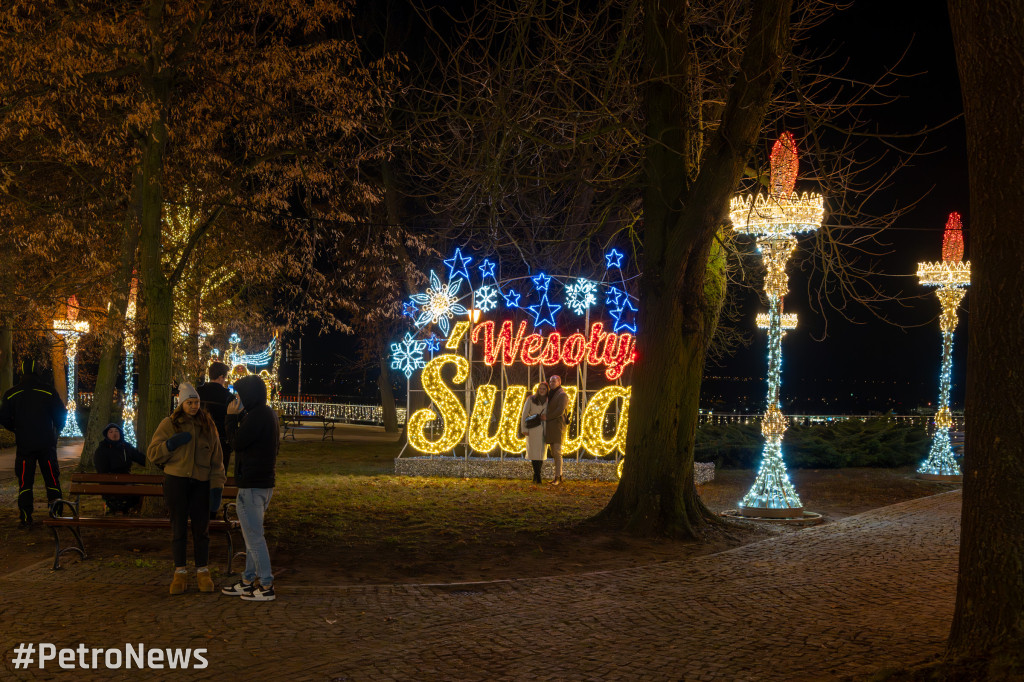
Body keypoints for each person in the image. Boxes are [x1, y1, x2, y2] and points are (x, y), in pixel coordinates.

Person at [147, 382, 226, 595]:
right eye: (189, 402)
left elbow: (217, 460)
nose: (193, 406)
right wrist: (170, 445)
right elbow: (153, 453)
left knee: (202, 529)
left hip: (200, 483)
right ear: (181, 404)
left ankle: (203, 571)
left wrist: (216, 487)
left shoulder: (208, 426)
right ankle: (180, 572)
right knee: (178, 528)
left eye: (196, 402)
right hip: (176, 481)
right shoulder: (169, 424)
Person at [221, 374, 279, 602]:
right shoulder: (267, 414)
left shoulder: (256, 416)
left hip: (252, 485)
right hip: (262, 483)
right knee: (251, 536)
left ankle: (266, 584)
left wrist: (230, 418)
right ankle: (248, 580)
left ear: (249, 395)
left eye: (239, 395)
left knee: (254, 538)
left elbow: (235, 442)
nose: (237, 399)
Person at [0, 359, 67, 527]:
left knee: (25, 482)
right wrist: (56, 430)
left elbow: (4, 418)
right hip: (46, 444)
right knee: (52, 479)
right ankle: (56, 513)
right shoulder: (48, 391)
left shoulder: (12, 393)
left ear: (22, 372)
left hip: (25, 445)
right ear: (37, 372)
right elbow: (61, 415)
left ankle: (25, 516)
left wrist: (17, 428)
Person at [93, 423, 146, 514]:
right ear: (107, 434)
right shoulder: (102, 449)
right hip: (109, 482)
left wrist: (150, 462)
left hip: (126, 479)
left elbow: (139, 457)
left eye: (117, 431)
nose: (114, 434)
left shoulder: (126, 447)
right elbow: (102, 470)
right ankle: (115, 508)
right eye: (111, 432)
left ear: (120, 433)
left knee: (138, 491)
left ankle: (127, 509)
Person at [197, 361, 233, 473]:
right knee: (220, 473)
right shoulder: (228, 396)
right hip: (221, 440)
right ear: (221, 377)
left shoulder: (198, 392)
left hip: (200, 437)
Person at [541, 374, 568, 485]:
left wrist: (547, 417)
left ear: (559, 382)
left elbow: (560, 411)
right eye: (551, 381)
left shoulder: (562, 395)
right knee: (554, 452)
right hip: (551, 427)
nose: (551, 383)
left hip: (557, 427)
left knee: (557, 452)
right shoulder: (551, 394)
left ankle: (558, 477)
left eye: (554, 381)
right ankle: (558, 476)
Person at [520, 382, 549, 484]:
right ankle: (538, 476)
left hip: (544, 428)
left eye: (544, 389)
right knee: (533, 453)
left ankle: (536, 474)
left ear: (547, 390)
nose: (541, 390)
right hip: (532, 428)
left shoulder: (548, 400)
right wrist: (524, 428)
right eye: (540, 388)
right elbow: (524, 414)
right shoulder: (531, 399)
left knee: (540, 453)